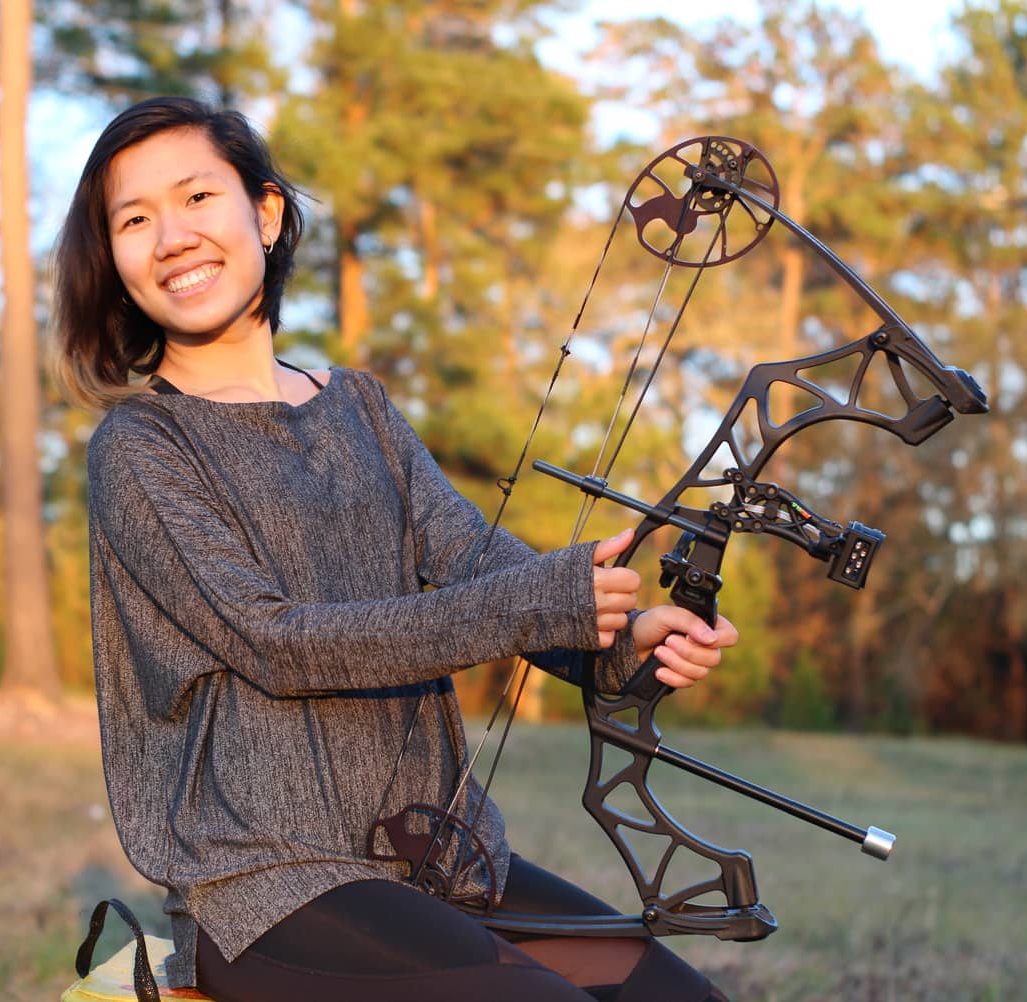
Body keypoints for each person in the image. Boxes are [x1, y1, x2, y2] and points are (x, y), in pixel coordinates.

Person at [53, 95, 739, 1002]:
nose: (172, 236)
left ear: (264, 213)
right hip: (271, 887)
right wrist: (550, 598)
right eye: (134, 219)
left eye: (196, 199)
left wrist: (622, 637)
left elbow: (473, 560)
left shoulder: (360, 407)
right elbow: (279, 641)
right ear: (115, 260)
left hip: (435, 853)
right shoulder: (142, 449)